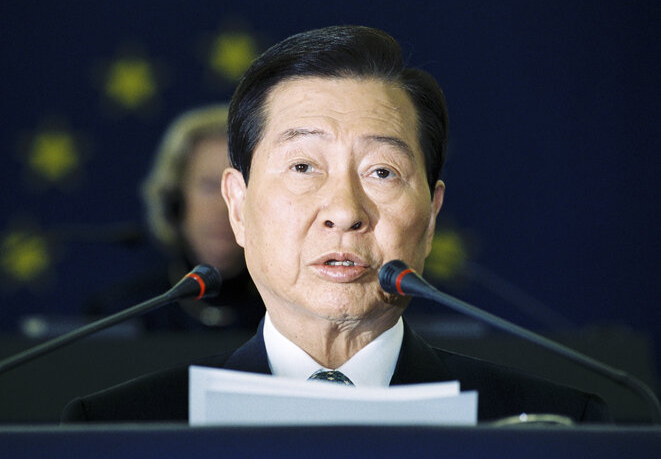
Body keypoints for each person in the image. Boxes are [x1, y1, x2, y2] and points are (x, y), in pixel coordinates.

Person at [63, 25, 611, 423]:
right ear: (238, 207)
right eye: (303, 167)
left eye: (381, 171)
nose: (345, 211)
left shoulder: (553, 426)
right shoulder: (121, 429)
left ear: (432, 213)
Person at [85, 104, 263, 330]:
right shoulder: (121, 312)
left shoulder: (294, 317)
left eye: (239, 187)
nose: (223, 205)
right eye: (209, 186)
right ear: (174, 200)